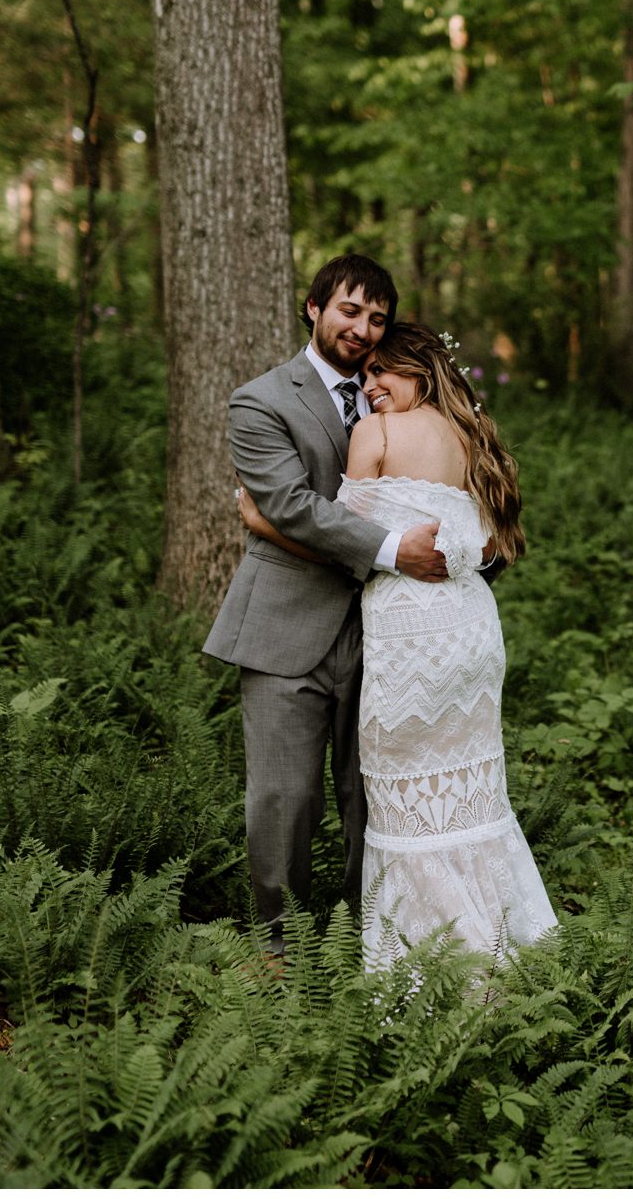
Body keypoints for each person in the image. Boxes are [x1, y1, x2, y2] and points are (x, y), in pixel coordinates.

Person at [237, 320, 555, 969]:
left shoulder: (374, 434)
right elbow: (491, 546)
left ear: (419, 370)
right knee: (469, 798)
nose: (370, 386)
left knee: (405, 807)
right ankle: (492, 948)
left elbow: (347, 540)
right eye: (364, 374)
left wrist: (260, 519)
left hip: (407, 639)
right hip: (469, 631)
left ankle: (423, 967)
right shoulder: (474, 437)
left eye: (384, 372)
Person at [204, 253, 481, 957]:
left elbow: (449, 497)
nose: (362, 329)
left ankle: (372, 944)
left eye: (377, 318)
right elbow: (293, 506)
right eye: (350, 311)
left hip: (388, 629)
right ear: (315, 308)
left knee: (375, 798)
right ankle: (282, 950)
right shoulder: (260, 400)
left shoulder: (405, 394)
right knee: (284, 800)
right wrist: (391, 549)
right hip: (284, 625)